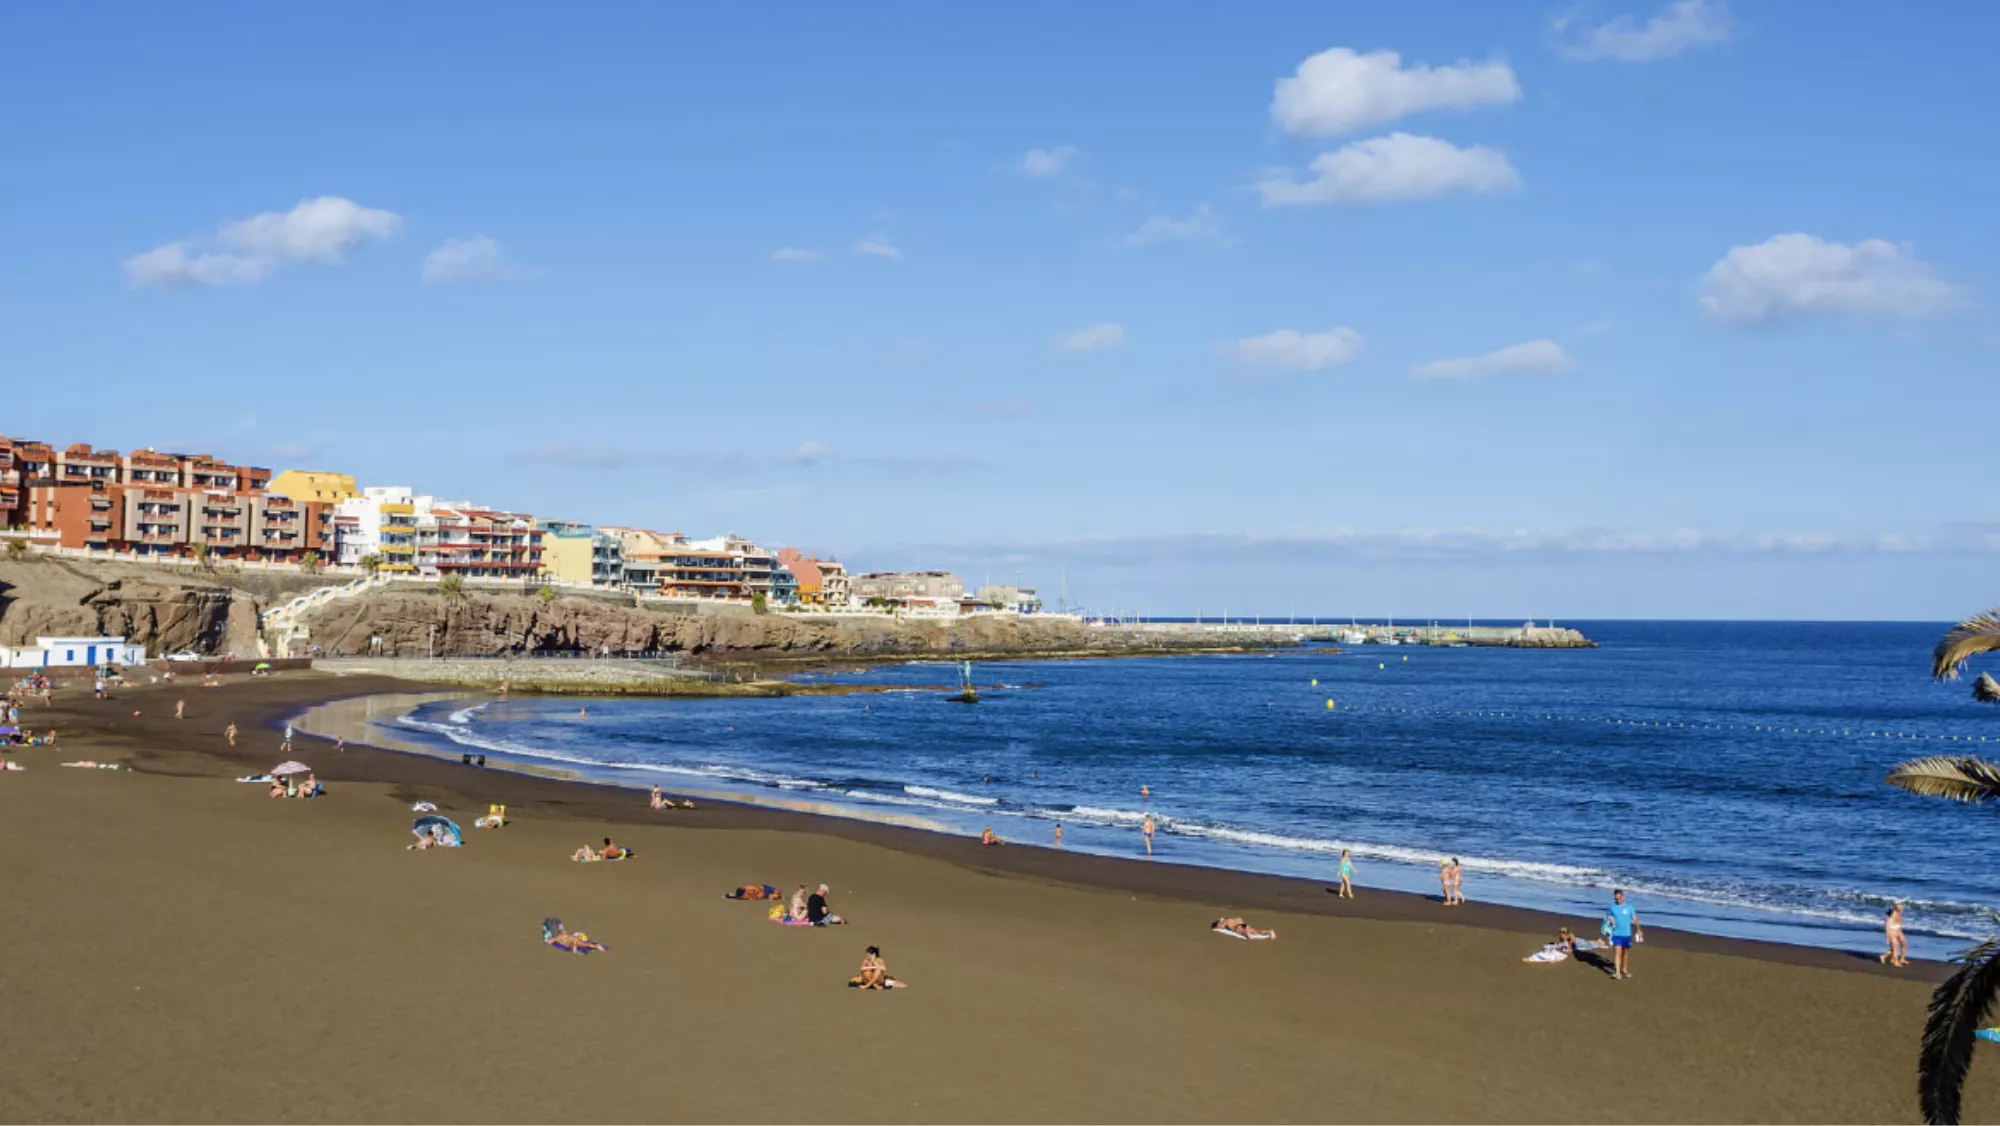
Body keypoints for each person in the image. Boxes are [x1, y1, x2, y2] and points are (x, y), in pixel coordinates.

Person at [1605, 889, 1642, 980]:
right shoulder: (1612, 907)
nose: (1618, 900)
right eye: (1616, 899)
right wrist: (1610, 919)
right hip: (1616, 933)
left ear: (1623, 896)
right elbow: (1608, 915)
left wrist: (1639, 930)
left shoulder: (1629, 907)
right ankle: (1618, 973)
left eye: (1619, 898)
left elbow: (1635, 918)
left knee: (1625, 953)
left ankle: (1624, 970)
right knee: (1617, 952)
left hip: (1626, 934)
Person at [1883, 902, 1909, 968]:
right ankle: (1895, 962)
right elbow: (1887, 925)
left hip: (1898, 931)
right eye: (1900, 908)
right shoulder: (1892, 914)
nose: (1902, 909)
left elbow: (1899, 922)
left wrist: (1901, 929)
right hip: (1892, 932)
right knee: (1895, 948)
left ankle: (1902, 959)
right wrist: (1887, 937)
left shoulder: (1899, 913)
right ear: (1896, 908)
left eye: (1902, 908)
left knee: (1904, 944)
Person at [1212, 917, 1277, 939]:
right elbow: (1240, 920)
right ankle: (1269, 931)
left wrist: (1218, 925)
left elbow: (1220, 927)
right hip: (1242, 925)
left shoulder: (1226, 921)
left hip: (1239, 927)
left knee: (1243, 932)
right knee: (1257, 932)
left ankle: (1247, 933)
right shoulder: (1232, 919)